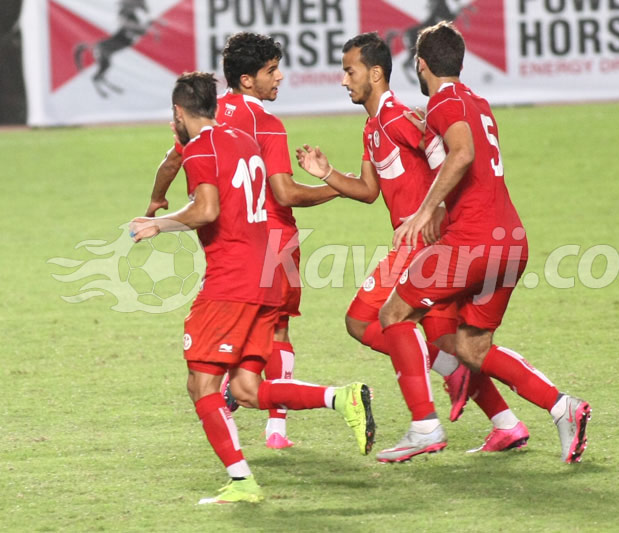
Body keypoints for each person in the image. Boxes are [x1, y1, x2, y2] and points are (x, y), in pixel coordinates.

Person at [129, 72, 375, 504]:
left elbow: (207, 209)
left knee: (202, 386)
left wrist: (159, 223)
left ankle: (241, 481)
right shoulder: (243, 141)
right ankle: (341, 397)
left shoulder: (200, 148)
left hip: (231, 282)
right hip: (267, 276)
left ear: (179, 113)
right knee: (245, 389)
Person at [295, 32, 530, 456]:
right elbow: (369, 190)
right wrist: (327, 173)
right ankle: (506, 424)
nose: (344, 80)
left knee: (362, 321)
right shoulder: (373, 127)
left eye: (349, 71)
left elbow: (442, 150)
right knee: (446, 343)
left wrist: (434, 210)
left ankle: (428, 419)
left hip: (421, 244)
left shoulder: (399, 117)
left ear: (375, 73)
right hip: (420, 243)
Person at [376, 22, 591, 463]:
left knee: (393, 314)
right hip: (510, 241)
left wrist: (424, 211)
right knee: (473, 348)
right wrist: (430, 134)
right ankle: (561, 406)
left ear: (420, 65)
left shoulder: (443, 102)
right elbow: (466, 153)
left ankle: (424, 427)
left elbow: (463, 153)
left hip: (472, 241)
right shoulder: (477, 102)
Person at [146, 32, 341, 450]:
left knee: (231, 323)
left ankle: (230, 397)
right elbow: (285, 193)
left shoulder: (211, 114)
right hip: (276, 239)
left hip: (231, 238)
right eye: (272, 70)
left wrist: (157, 199)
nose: (280, 77)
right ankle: (276, 429)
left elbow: (174, 158)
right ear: (248, 79)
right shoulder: (268, 124)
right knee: (279, 329)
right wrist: (337, 187)